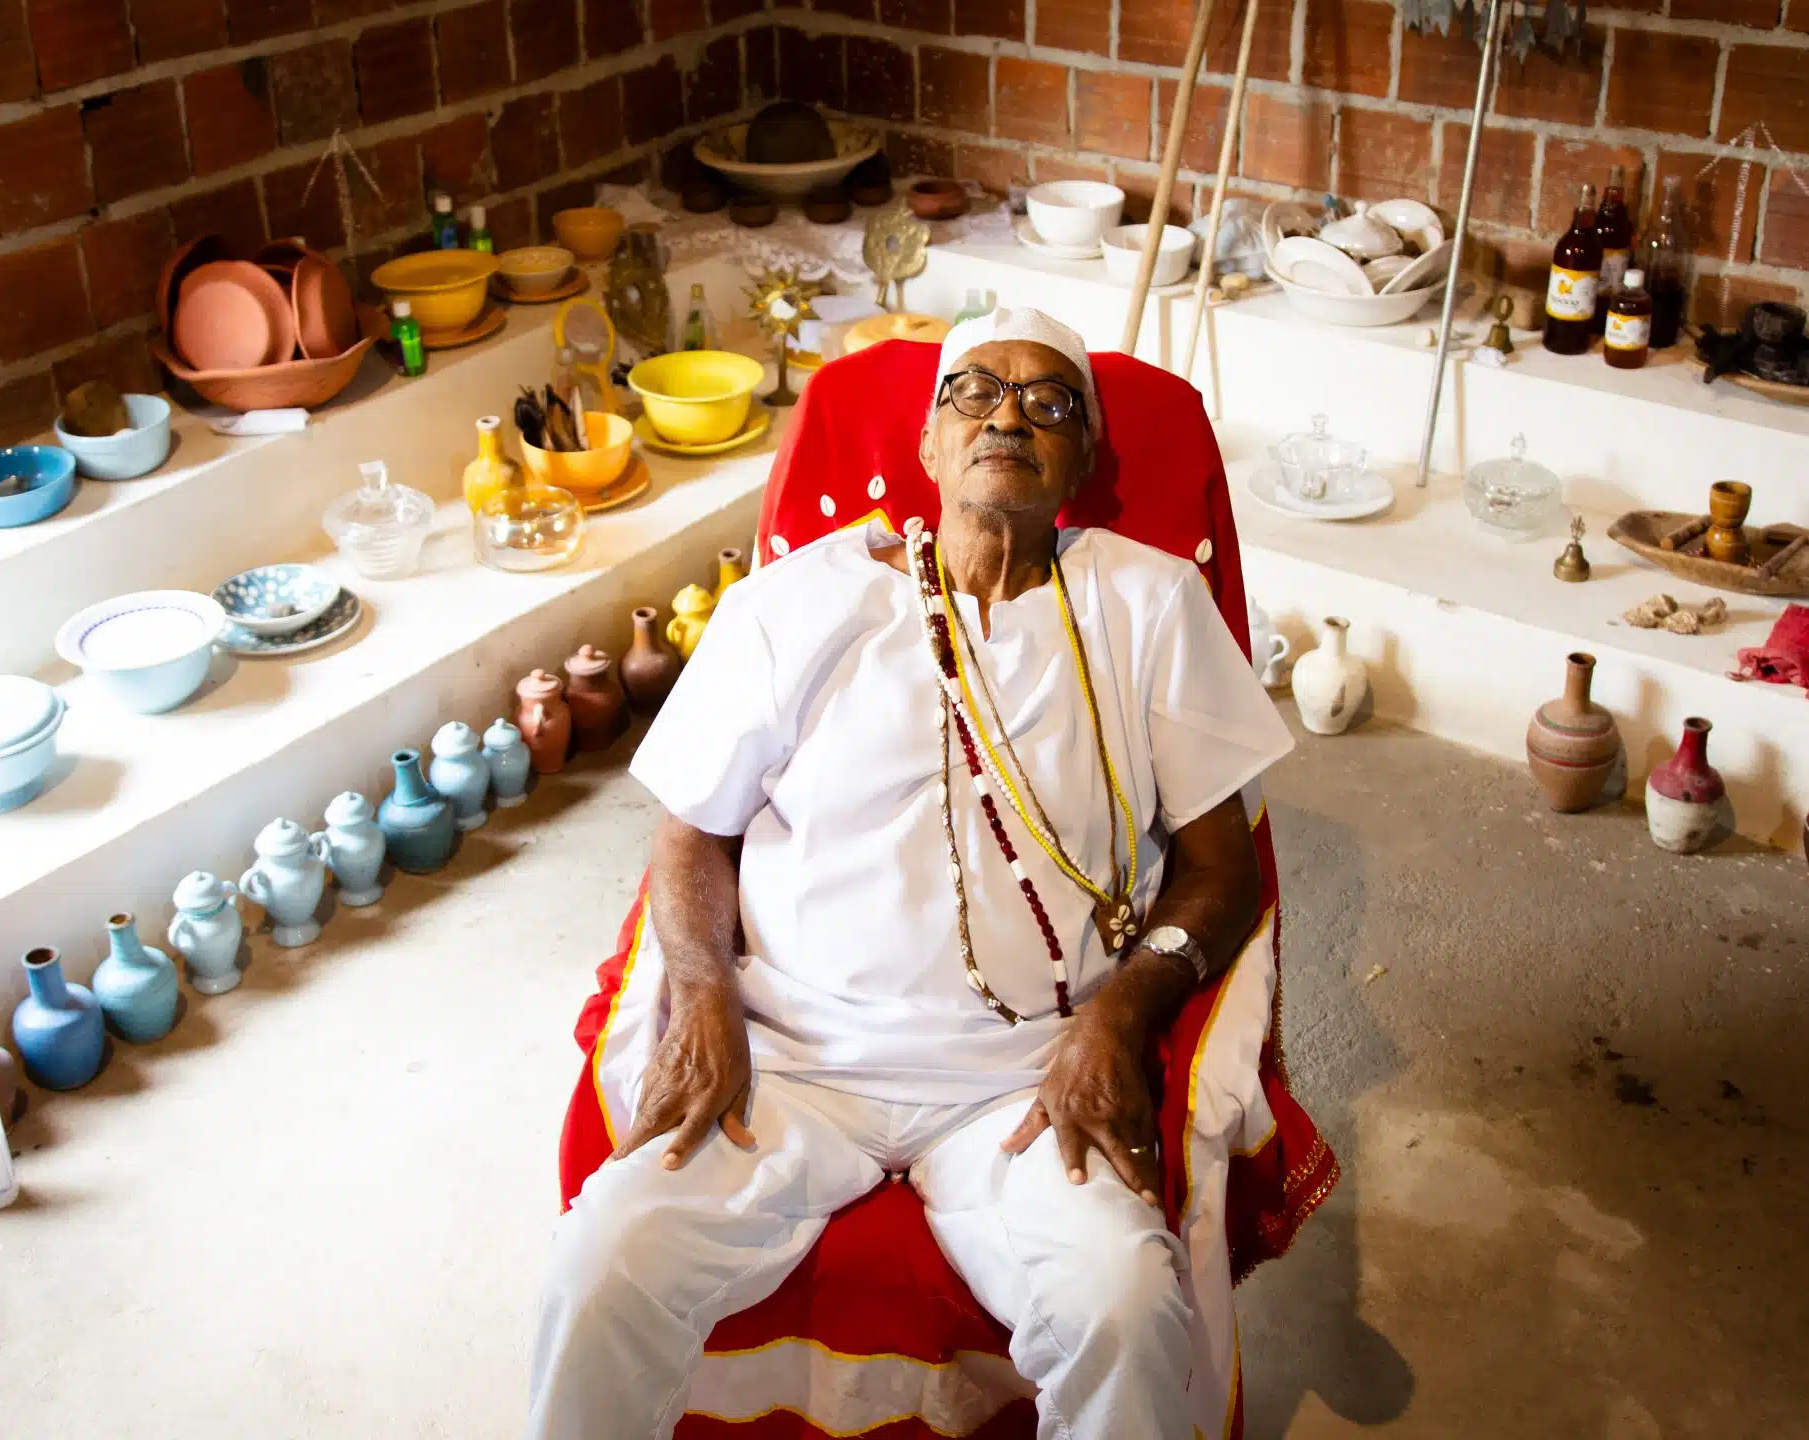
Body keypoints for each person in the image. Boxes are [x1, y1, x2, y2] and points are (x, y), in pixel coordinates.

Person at [525, 308, 1295, 1438]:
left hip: (1024, 1078)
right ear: (930, 446)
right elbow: (692, 833)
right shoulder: (799, 601)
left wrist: (1122, 1016)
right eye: (973, 393)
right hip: (791, 1058)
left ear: (1081, 459)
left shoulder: (1149, 604)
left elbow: (1222, 870)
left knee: (1123, 1306)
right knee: (602, 1266)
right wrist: (699, 992)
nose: (1007, 417)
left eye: (1048, 404)